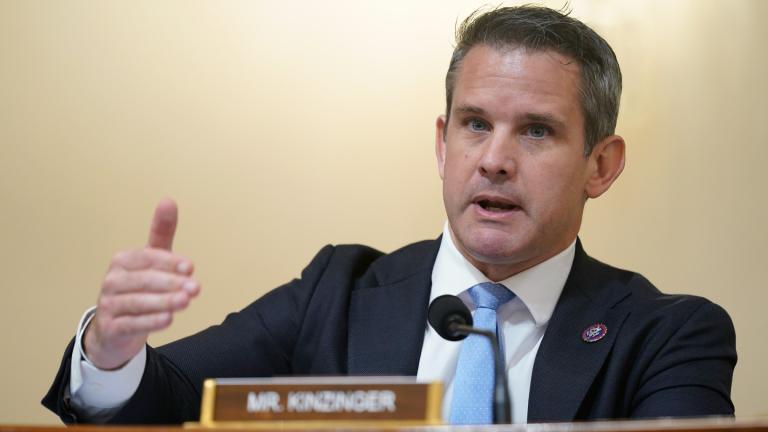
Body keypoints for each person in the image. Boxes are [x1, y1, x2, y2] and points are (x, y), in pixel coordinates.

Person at [42, 5, 736, 425]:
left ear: (602, 165)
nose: (494, 159)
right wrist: (109, 349)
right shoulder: (336, 293)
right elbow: (163, 401)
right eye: (474, 124)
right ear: (442, 143)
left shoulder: (667, 335)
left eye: (536, 131)